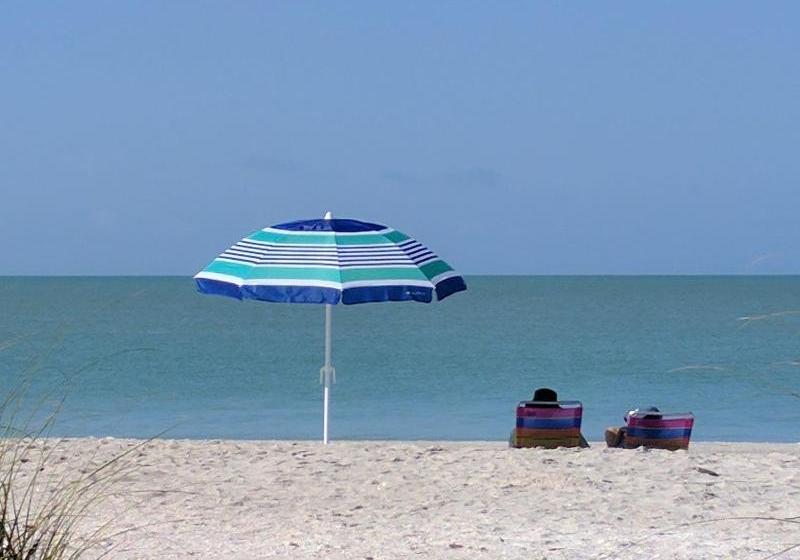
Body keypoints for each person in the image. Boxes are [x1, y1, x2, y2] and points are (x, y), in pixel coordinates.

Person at [519, 387, 590, 447]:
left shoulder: (527, 429)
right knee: (576, 434)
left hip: (532, 443)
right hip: (560, 442)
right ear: (555, 410)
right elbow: (585, 448)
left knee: (515, 431)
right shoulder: (567, 430)